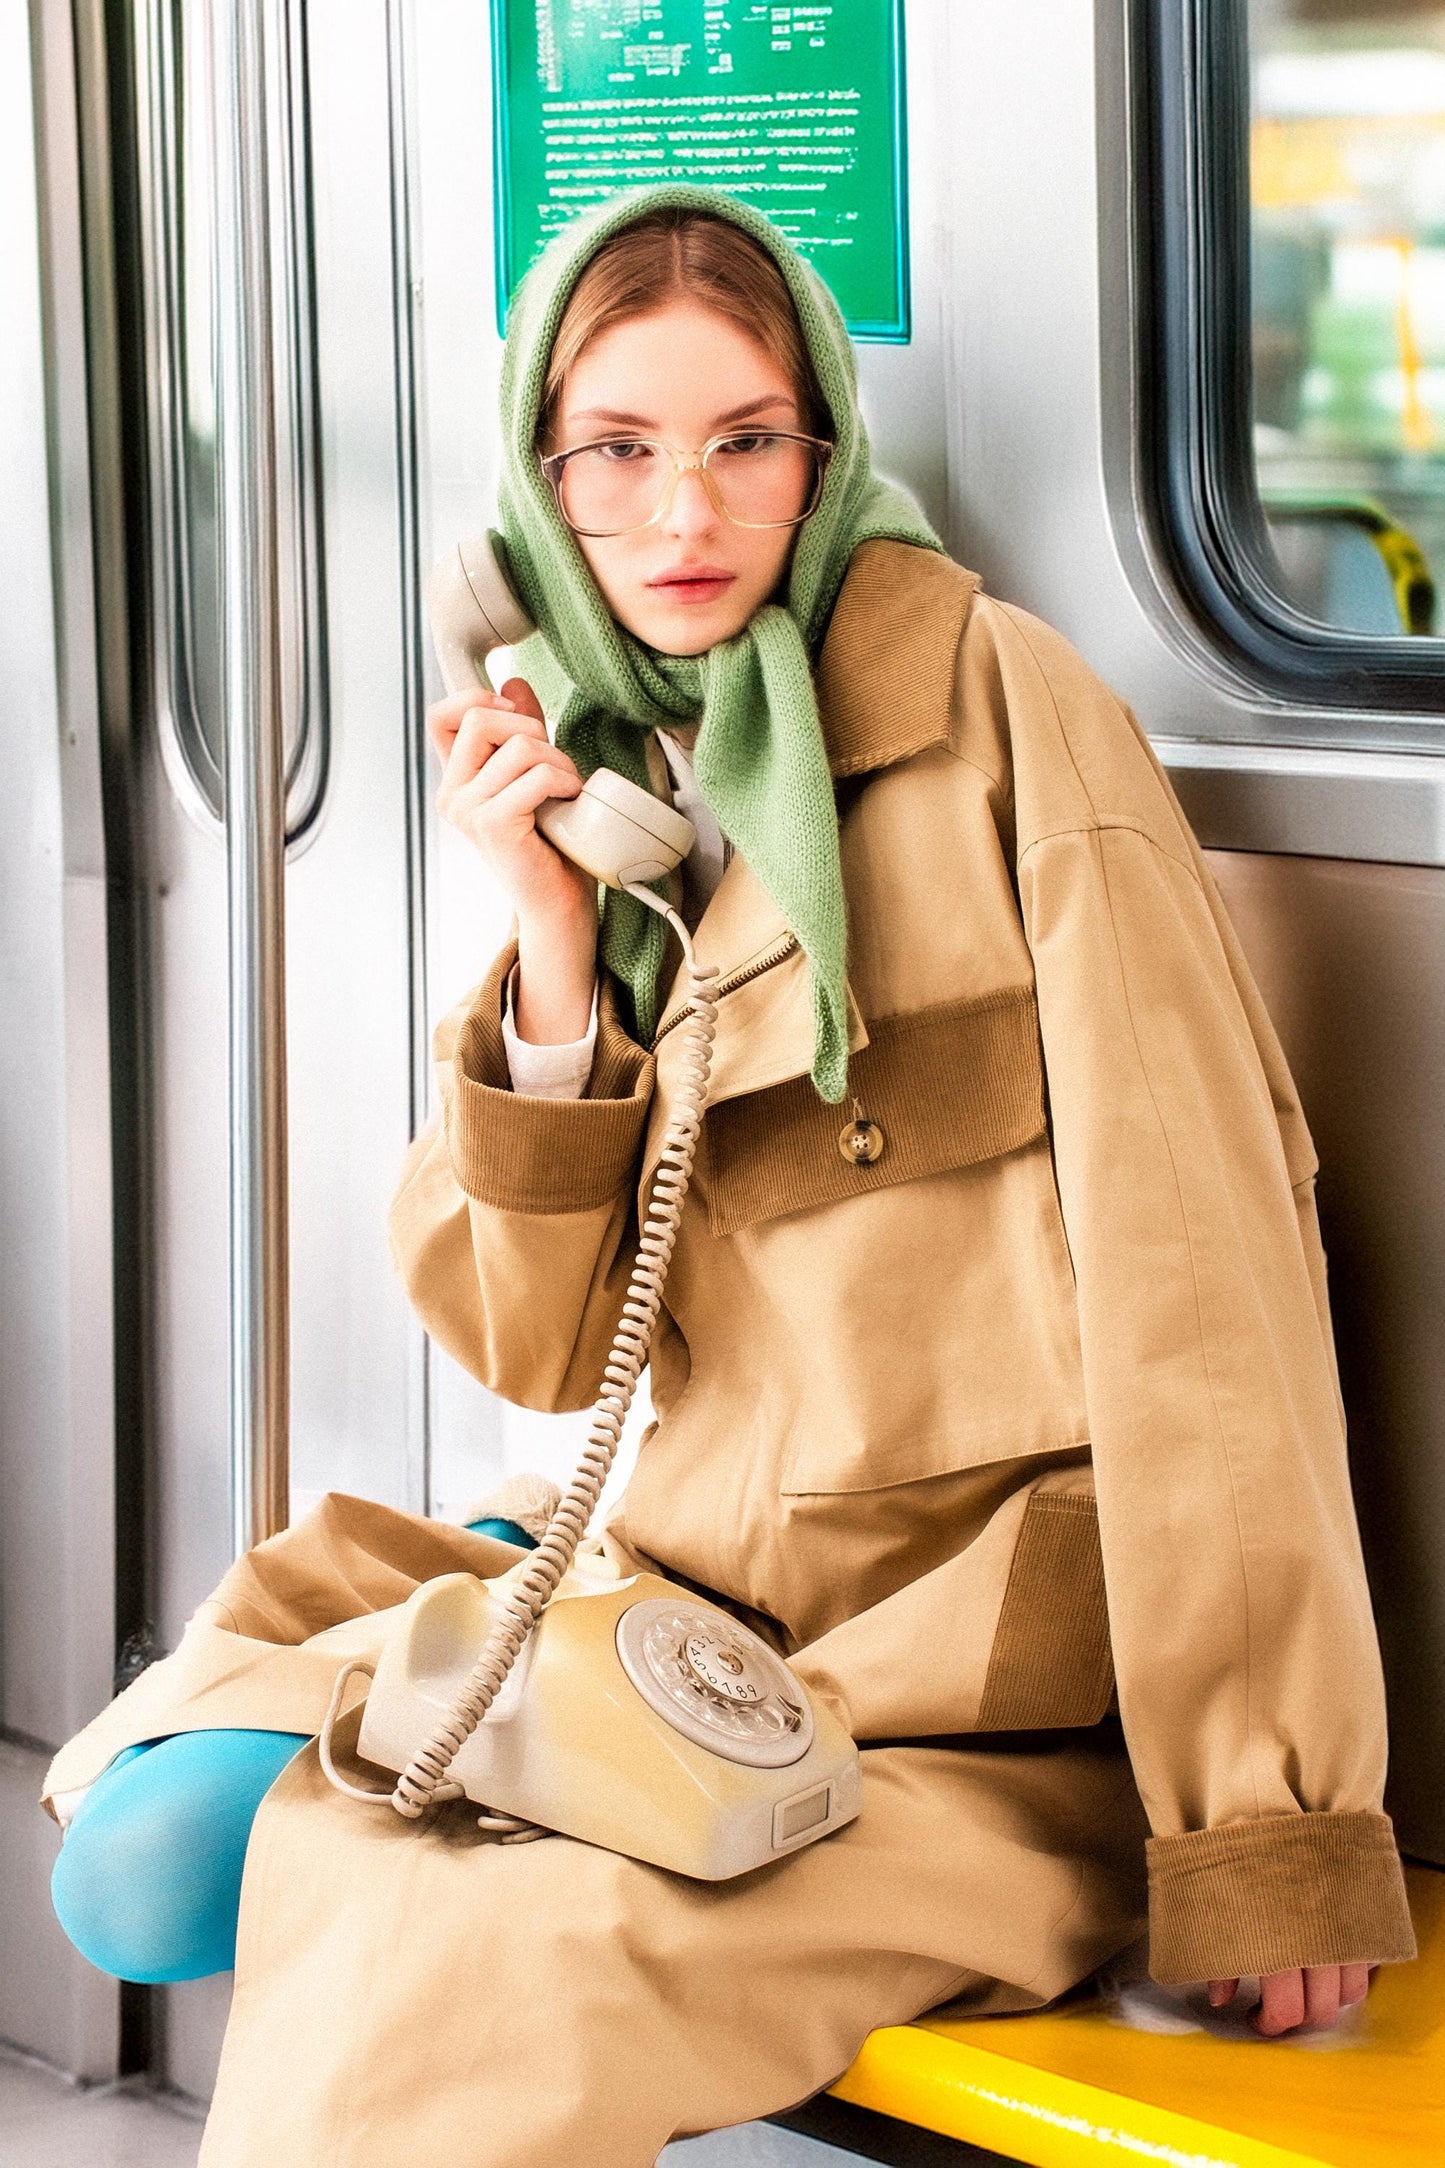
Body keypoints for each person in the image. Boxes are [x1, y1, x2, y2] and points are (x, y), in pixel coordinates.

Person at [44, 186, 1415, 2166]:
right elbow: (538, 1339)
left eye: (743, 444)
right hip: (673, 1570)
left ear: (822, 450)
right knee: (145, 1849)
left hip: (957, 1668)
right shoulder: (619, 774)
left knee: (446, 1958)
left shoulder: (1011, 719)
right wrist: (537, 926)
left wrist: (1266, 1819)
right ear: (540, 484)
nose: (683, 524)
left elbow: (1206, 1288)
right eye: (616, 454)